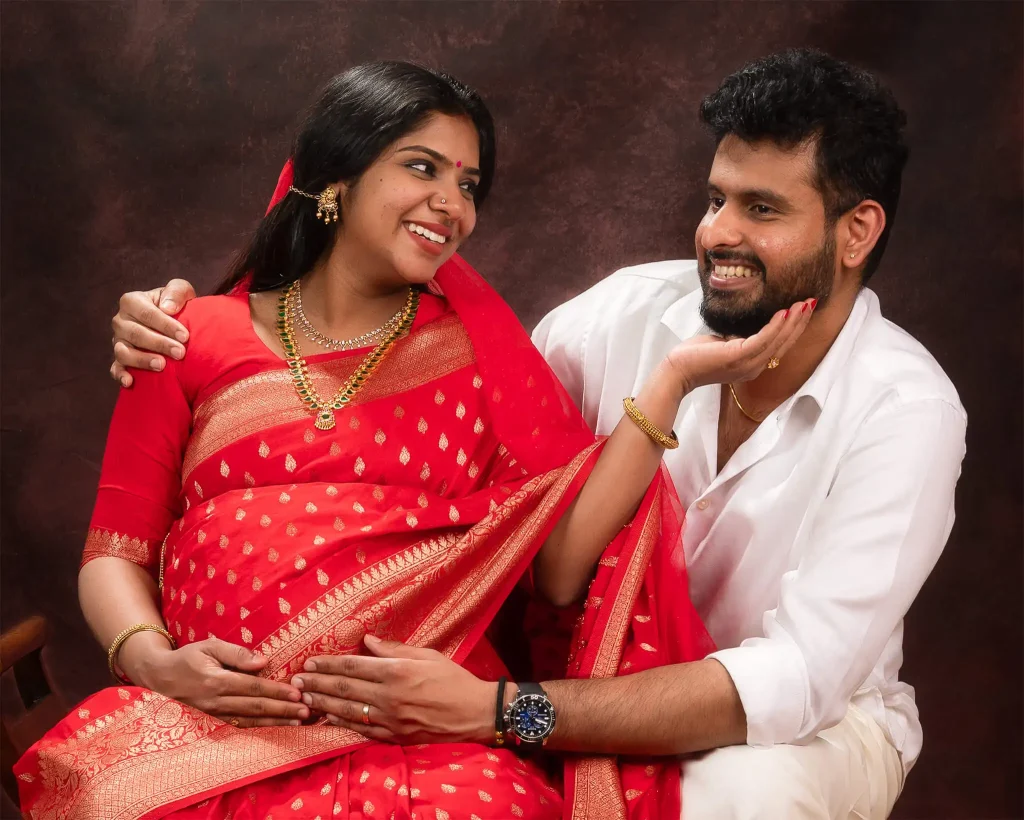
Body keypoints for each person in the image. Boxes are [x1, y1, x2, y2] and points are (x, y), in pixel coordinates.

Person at [106, 49, 968, 819]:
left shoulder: (904, 415)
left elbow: (793, 683)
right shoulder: (616, 318)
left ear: (857, 232)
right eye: (715, 200)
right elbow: (529, 512)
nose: (718, 233)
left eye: (763, 209)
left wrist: (503, 711)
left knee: (723, 804)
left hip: (784, 730)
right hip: (560, 694)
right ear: (335, 175)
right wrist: (168, 324)